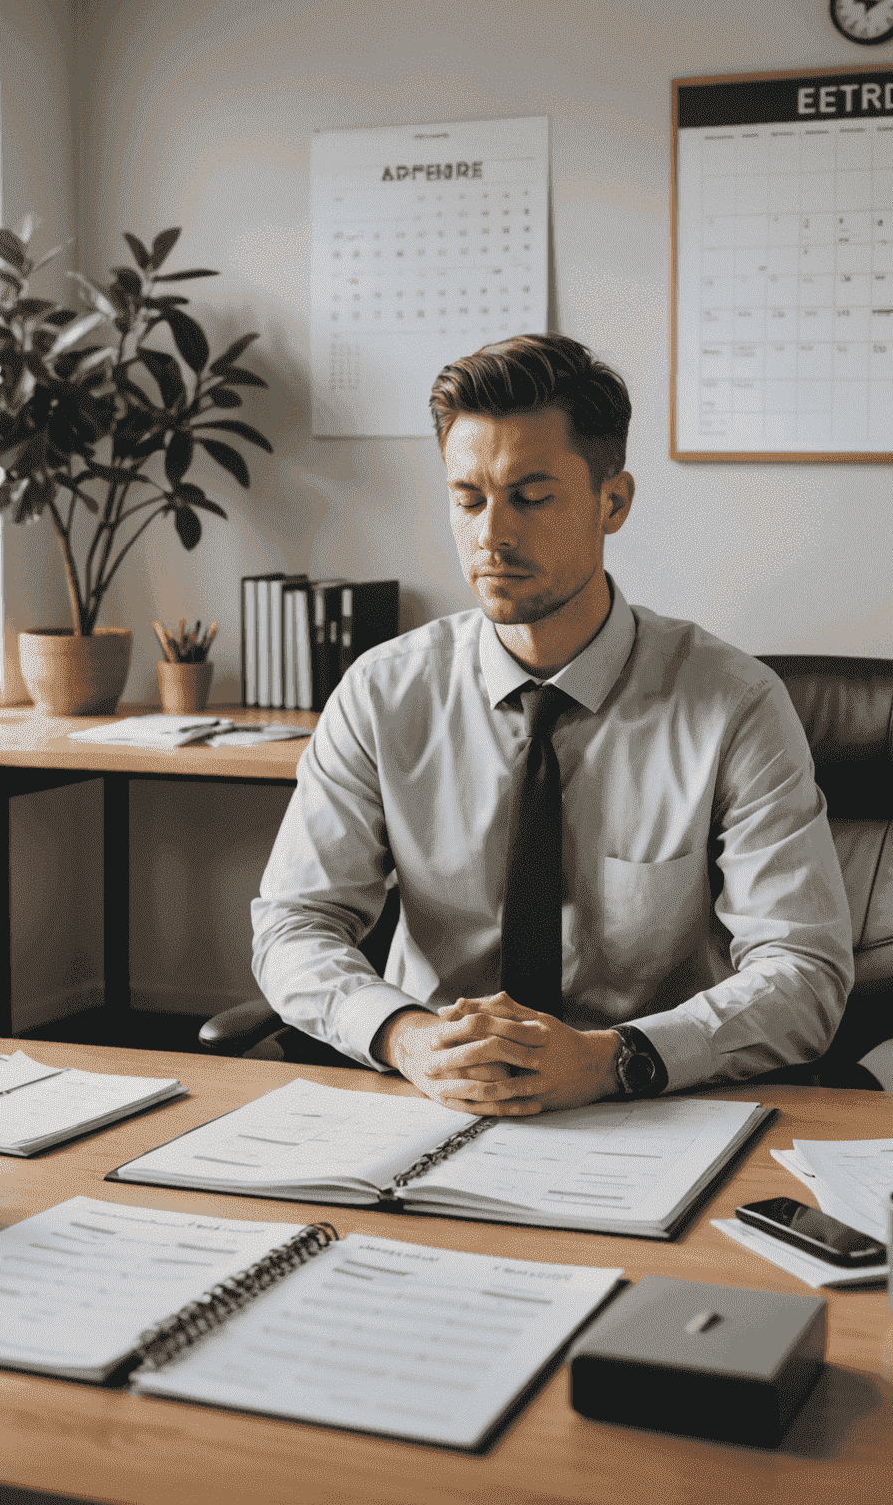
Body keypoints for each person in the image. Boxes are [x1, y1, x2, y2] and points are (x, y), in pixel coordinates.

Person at [251, 333, 853, 1115]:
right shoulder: (382, 693)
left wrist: (613, 1061)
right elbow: (295, 923)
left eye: (531, 498)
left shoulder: (733, 704)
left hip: (649, 1104)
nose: (491, 537)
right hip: (433, 1098)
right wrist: (403, 1035)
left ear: (614, 501)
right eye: (467, 499)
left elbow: (804, 971)